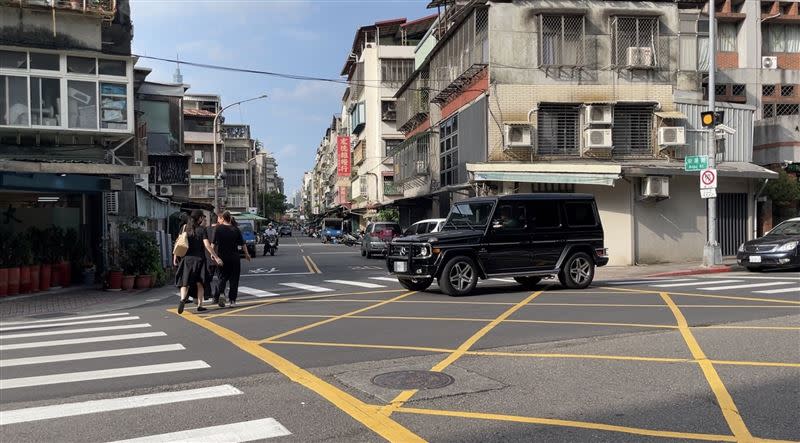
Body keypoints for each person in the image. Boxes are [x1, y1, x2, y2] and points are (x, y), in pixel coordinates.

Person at [174, 210, 222, 314]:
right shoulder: (201, 230)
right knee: (200, 283)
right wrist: (216, 257)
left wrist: (175, 257)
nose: (203, 219)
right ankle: (200, 305)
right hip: (199, 260)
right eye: (202, 217)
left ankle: (182, 299)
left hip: (187, 259)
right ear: (199, 218)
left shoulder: (185, 228)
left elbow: (179, 243)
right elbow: (207, 245)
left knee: (184, 283)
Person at [214, 211, 251, 307]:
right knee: (234, 280)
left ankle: (221, 293)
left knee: (222, 277)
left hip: (222, 257)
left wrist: (214, 255)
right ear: (230, 218)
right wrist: (247, 254)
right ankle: (232, 301)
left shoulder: (218, 229)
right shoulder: (236, 229)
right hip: (234, 257)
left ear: (223, 219)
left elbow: (213, 244)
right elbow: (243, 244)